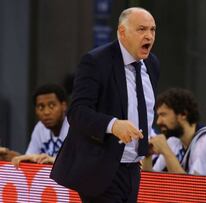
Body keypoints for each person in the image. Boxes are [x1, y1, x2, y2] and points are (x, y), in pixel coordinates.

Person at [50, 7, 159, 203]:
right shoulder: (96, 62)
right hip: (101, 168)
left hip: (133, 168)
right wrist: (113, 125)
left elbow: (146, 107)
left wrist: (144, 142)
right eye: (141, 29)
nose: (149, 36)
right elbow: (77, 112)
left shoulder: (152, 64)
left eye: (152, 30)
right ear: (122, 32)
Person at [142, 88, 206, 173]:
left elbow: (191, 185)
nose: (158, 121)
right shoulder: (173, 141)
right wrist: (147, 155)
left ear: (183, 114)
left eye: (163, 115)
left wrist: (165, 150)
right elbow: (152, 181)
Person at [11, 84, 69, 167]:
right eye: (41, 107)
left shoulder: (74, 127)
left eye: (52, 106)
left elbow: (81, 164)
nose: (46, 112)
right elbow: (30, 157)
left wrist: (54, 160)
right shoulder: (40, 128)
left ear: (64, 106)